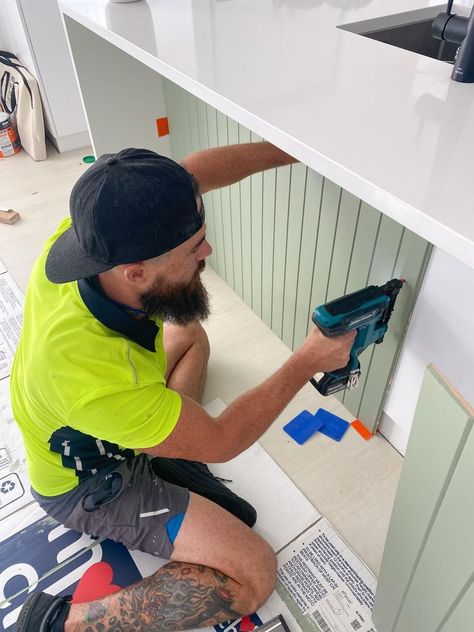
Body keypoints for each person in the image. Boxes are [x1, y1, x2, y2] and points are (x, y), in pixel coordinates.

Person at [12, 143, 355, 631]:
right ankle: (61, 624)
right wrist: (307, 360)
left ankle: (164, 444)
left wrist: (296, 151)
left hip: (108, 416)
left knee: (189, 335)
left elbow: (191, 174)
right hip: (91, 483)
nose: (207, 253)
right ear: (136, 273)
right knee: (252, 572)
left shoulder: (94, 238)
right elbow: (222, 442)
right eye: (194, 249)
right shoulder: (92, 375)